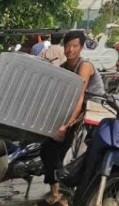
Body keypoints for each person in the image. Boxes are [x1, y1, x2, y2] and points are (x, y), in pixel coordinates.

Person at [40, 30, 103, 206]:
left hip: (92, 113)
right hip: (75, 112)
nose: (70, 49)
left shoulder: (85, 66)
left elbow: (78, 97)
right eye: (67, 46)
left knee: (69, 152)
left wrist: (66, 125)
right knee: (47, 148)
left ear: (81, 47)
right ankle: (56, 191)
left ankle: (66, 196)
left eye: (74, 46)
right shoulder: (64, 67)